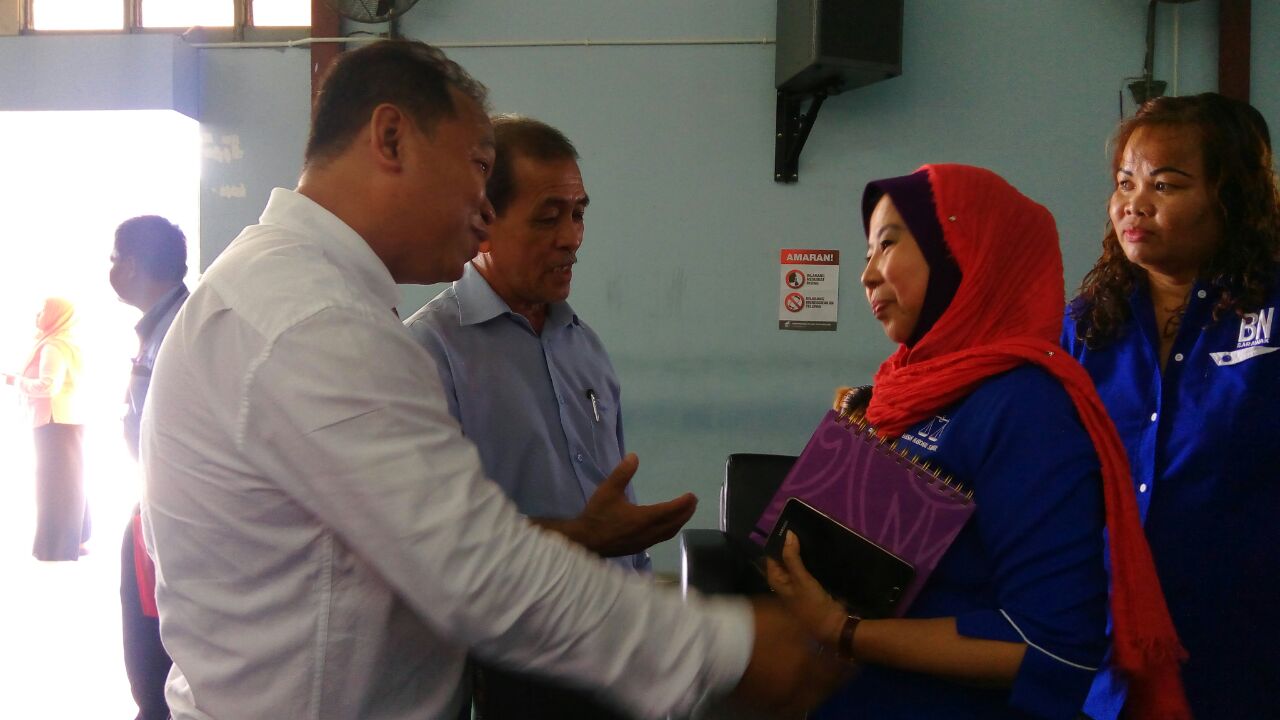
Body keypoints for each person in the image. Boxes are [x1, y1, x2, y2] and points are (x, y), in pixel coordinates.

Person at [140, 39, 838, 720]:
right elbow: (480, 569)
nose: (484, 209)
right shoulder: (315, 323)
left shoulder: (303, 297)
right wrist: (729, 650)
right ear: (391, 139)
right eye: (478, 167)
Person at [763, 164, 1190, 719]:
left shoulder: (1026, 407)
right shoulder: (901, 392)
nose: (867, 275)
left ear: (963, 251)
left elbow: (1051, 647)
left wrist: (844, 631)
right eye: (867, 253)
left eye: (887, 245)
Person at [405, 115, 695, 718]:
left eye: (579, 213)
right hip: (511, 668)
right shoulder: (428, 354)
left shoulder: (582, 345)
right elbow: (432, 546)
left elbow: (612, 496)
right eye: (548, 217)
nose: (572, 238)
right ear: (484, 223)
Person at [1063, 93, 1280, 719]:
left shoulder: (1270, 313)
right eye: (1126, 182)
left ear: (1230, 197)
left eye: (1166, 184)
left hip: (1245, 645)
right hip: (1110, 651)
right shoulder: (1086, 326)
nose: (1135, 202)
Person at [109, 214, 189, 720]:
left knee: (155, 679)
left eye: (115, 259)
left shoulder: (180, 330)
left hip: (170, 527)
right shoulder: (163, 324)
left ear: (134, 265)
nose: (112, 270)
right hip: (154, 517)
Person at [3, 297, 90, 561]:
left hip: (55, 420)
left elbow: (48, 385)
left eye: (43, 310)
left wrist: (13, 381)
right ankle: (73, 541)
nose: (38, 314)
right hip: (64, 420)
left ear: (56, 315)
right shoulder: (62, 341)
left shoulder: (53, 346)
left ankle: (57, 547)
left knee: (54, 485)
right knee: (68, 483)